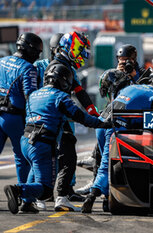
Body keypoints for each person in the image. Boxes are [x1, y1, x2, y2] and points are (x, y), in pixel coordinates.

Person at [3, 63, 111, 214]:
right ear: (64, 81)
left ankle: (27, 203)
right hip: (42, 143)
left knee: (35, 169)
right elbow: (80, 116)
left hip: (25, 140)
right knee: (46, 189)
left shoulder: (34, 94)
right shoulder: (61, 97)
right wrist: (102, 123)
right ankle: (17, 190)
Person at [81, 67, 153, 213]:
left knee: (104, 165)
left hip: (101, 123)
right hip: (116, 128)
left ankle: (105, 200)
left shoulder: (133, 87)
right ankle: (93, 196)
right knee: (107, 166)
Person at [49, 31, 100, 211]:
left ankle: (55, 194)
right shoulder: (55, 67)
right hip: (49, 118)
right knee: (50, 157)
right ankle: (35, 194)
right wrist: (92, 119)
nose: (84, 57)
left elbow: (80, 93)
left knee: (65, 154)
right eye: (82, 51)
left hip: (55, 117)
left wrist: (93, 112)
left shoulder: (67, 67)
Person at [0, 32, 42, 184]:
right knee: (23, 158)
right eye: (37, 52)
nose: (37, 56)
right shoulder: (28, 68)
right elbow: (31, 97)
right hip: (15, 118)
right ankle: (24, 198)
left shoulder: (2, 61)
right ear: (30, 50)